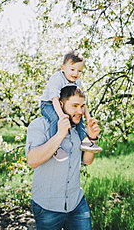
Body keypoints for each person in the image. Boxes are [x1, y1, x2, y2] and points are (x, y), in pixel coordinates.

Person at [26, 85, 101, 230]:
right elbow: (33, 161)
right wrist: (60, 134)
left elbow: (87, 161)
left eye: (82, 106)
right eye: (74, 106)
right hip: (48, 207)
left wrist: (92, 138)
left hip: (76, 203)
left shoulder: (79, 130)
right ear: (60, 104)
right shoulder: (40, 125)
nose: (79, 111)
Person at [40, 51, 102, 161]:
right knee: (55, 118)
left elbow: (82, 101)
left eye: (79, 71)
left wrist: (88, 117)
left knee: (79, 118)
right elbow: (54, 99)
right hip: (48, 103)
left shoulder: (77, 82)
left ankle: (85, 141)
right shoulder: (57, 79)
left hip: (63, 104)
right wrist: (62, 116)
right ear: (63, 68)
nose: (76, 73)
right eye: (72, 70)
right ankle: (56, 147)